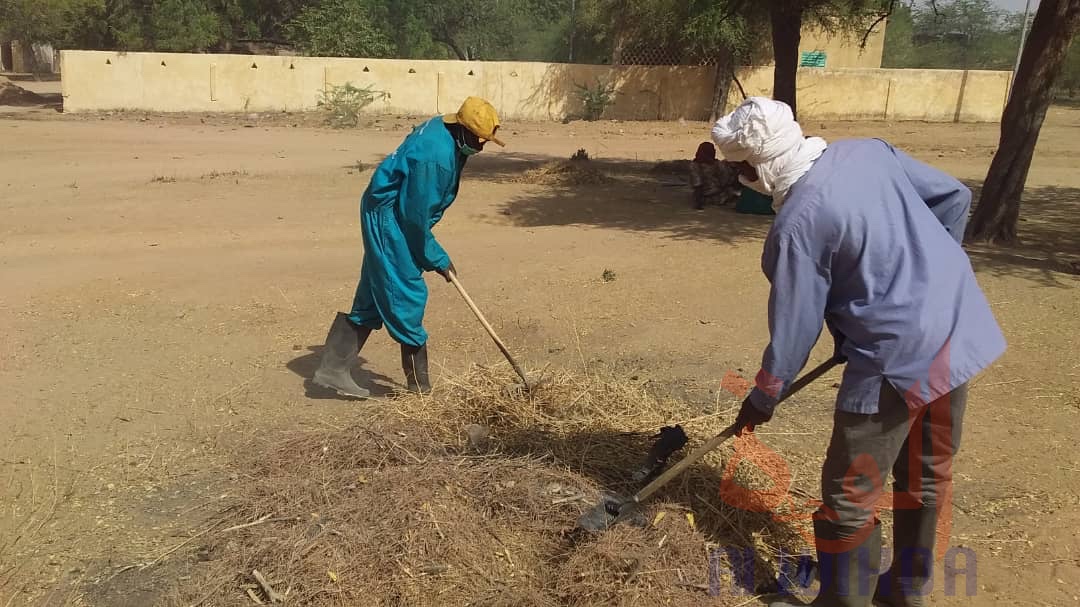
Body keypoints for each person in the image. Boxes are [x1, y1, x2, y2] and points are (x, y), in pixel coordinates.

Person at [712, 98, 1006, 607]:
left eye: (739, 168)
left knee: (849, 496)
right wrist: (930, 274)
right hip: (957, 328)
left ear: (753, 166)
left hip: (896, 359)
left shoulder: (795, 227)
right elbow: (954, 198)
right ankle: (905, 592)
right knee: (925, 474)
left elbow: (793, 335)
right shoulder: (867, 153)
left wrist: (762, 399)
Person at [312, 96, 505, 398]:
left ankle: (332, 369)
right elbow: (414, 218)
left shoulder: (443, 127)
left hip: (391, 210)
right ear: (463, 129)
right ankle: (420, 389)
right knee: (406, 291)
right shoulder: (437, 159)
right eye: (478, 140)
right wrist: (437, 259)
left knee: (377, 290)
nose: (481, 147)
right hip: (390, 216)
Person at [688, 141, 741, 209]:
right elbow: (698, 186)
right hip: (714, 196)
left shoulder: (714, 164)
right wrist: (698, 204)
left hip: (717, 192)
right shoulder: (696, 167)